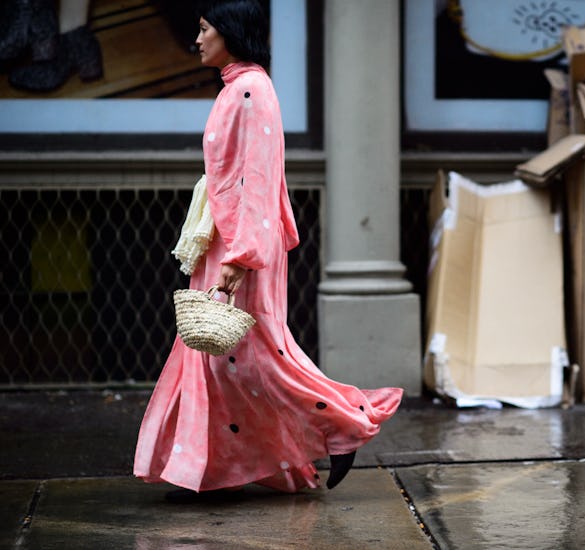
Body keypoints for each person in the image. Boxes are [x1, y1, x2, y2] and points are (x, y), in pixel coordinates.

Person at [133, 0, 404, 501]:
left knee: (250, 358)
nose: (198, 39)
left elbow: (257, 179)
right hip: (230, 234)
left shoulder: (251, 90)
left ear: (230, 32)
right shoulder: (237, 87)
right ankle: (219, 471)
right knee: (227, 359)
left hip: (242, 240)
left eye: (205, 29)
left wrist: (241, 256)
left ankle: (345, 423)